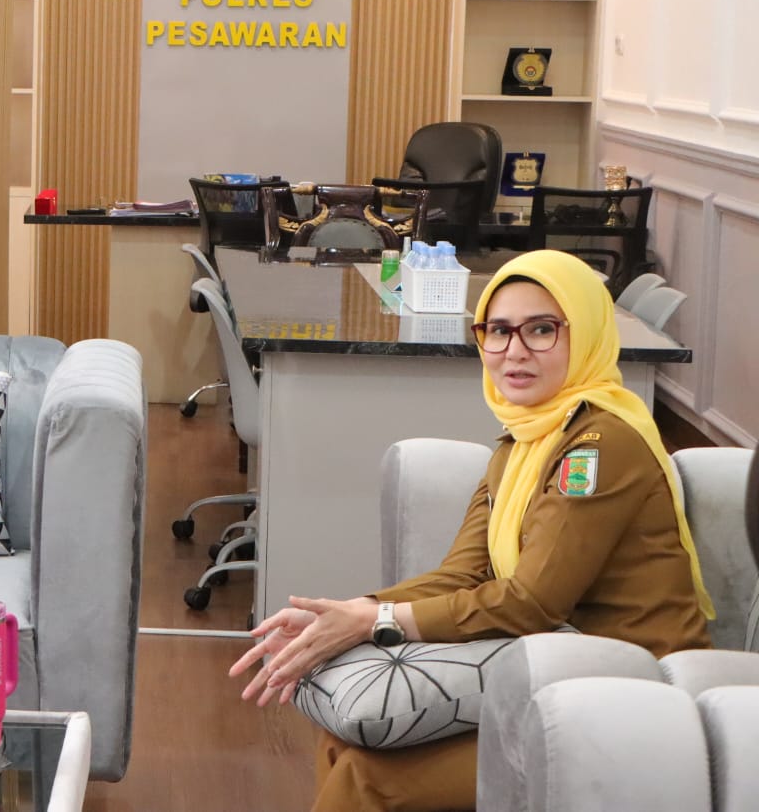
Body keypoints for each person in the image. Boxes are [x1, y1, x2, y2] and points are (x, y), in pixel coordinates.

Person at [229, 249, 714, 811]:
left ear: (585, 334)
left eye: (542, 330)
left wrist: (377, 623)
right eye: (498, 331)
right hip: (558, 671)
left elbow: (532, 602)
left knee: (368, 776)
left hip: (635, 694)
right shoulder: (525, 441)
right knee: (346, 743)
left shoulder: (599, 445)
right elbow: (463, 574)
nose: (514, 351)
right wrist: (349, 612)